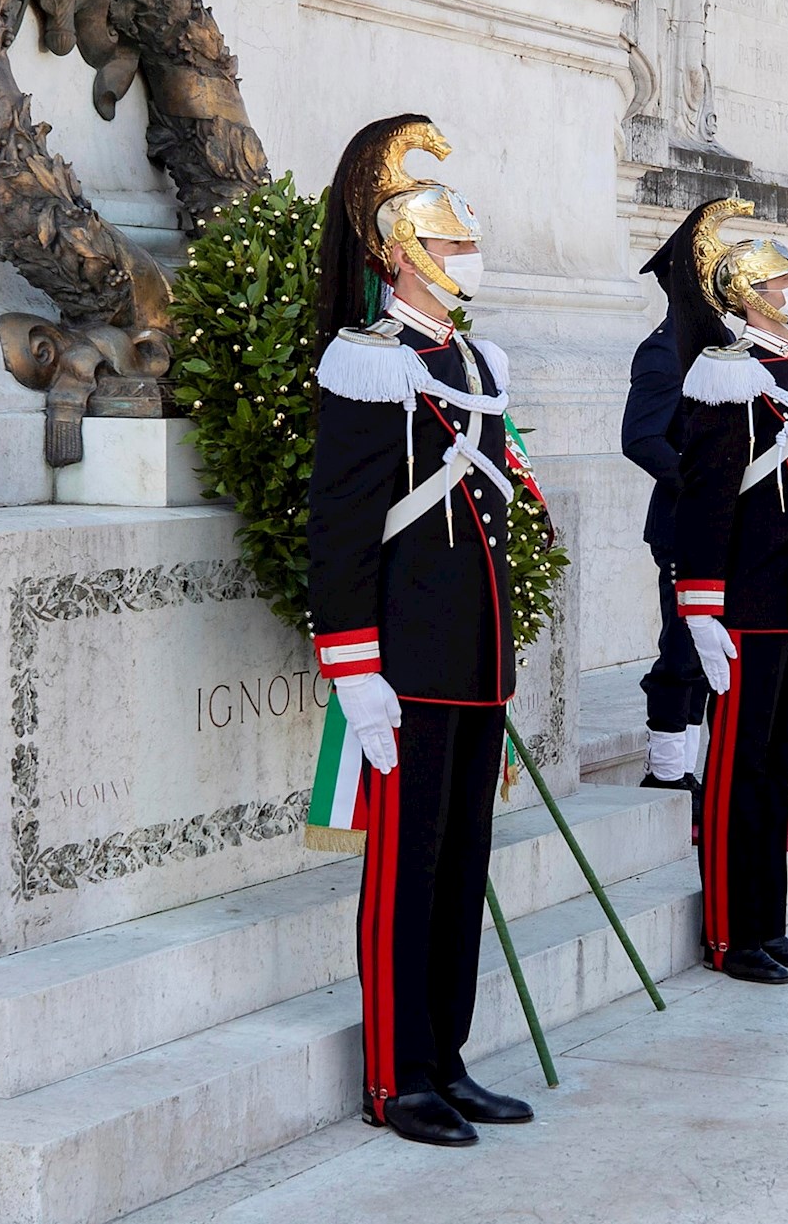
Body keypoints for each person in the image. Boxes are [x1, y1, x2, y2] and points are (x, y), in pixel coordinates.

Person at [308, 114, 533, 1146]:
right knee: (404, 875)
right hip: (407, 665)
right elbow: (345, 530)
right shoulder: (368, 363)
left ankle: (446, 1054)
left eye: (463, 243)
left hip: (475, 665)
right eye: (447, 244)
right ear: (399, 253)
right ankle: (398, 1079)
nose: (462, 259)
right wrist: (356, 670)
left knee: (458, 869)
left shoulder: (474, 363)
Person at [649, 197, 788, 986]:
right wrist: (699, 607)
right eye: (780, 286)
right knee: (733, 774)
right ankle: (732, 933)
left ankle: (768, 920)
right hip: (746, 610)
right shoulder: (727, 378)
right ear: (751, 295)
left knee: (776, 764)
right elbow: (705, 499)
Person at [620, 301, 714, 830]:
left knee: (704, 657)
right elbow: (640, 438)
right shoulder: (663, 349)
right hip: (683, 522)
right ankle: (666, 773)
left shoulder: (715, 341)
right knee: (680, 651)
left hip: (719, 526)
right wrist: (702, 487)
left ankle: (688, 772)